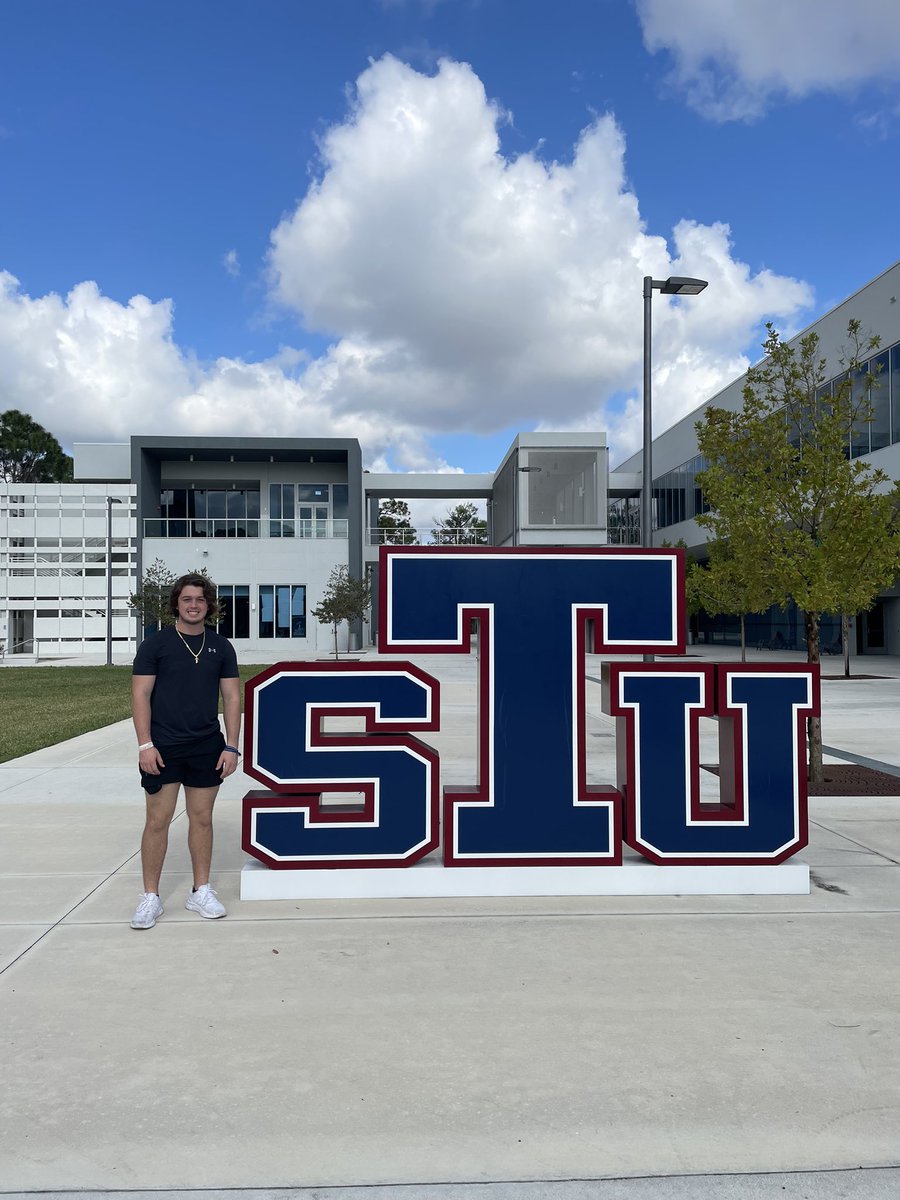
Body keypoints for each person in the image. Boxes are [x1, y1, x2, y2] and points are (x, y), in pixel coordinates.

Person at [130, 573, 241, 930]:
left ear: (209, 605)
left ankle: (201, 891)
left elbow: (232, 698)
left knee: (202, 818)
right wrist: (145, 744)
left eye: (200, 599)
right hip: (162, 748)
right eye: (187, 599)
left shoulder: (221, 647)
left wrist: (232, 746)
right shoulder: (155, 645)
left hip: (207, 746)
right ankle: (151, 896)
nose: (194, 605)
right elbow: (140, 695)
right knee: (158, 821)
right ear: (176, 604)